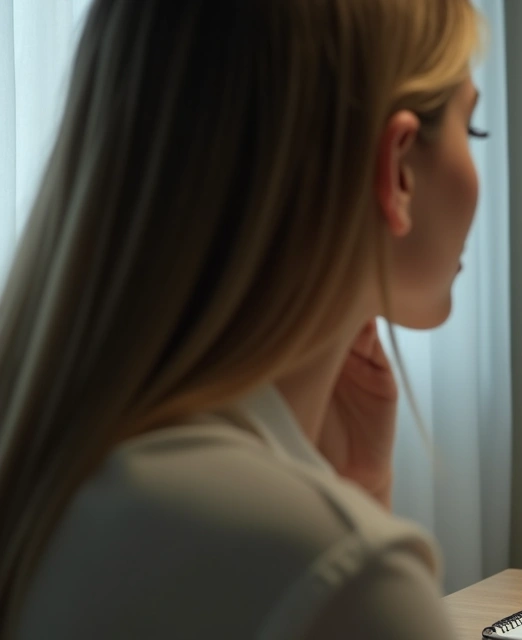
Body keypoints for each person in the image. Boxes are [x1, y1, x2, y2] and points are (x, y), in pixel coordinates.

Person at [0, 0, 485, 637]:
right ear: (397, 170)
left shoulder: (54, 464)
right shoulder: (341, 574)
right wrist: (347, 528)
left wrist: (351, 489)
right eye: (471, 129)